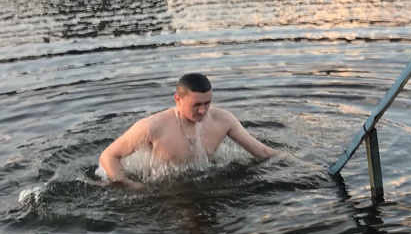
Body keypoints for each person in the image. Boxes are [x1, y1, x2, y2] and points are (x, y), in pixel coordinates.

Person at [99, 73, 279, 188]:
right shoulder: (152, 127)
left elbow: (262, 151)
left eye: (207, 103)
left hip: (204, 181)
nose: (203, 110)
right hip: (165, 188)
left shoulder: (223, 120)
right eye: (197, 105)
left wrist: (300, 168)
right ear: (177, 99)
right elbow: (108, 156)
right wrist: (130, 184)